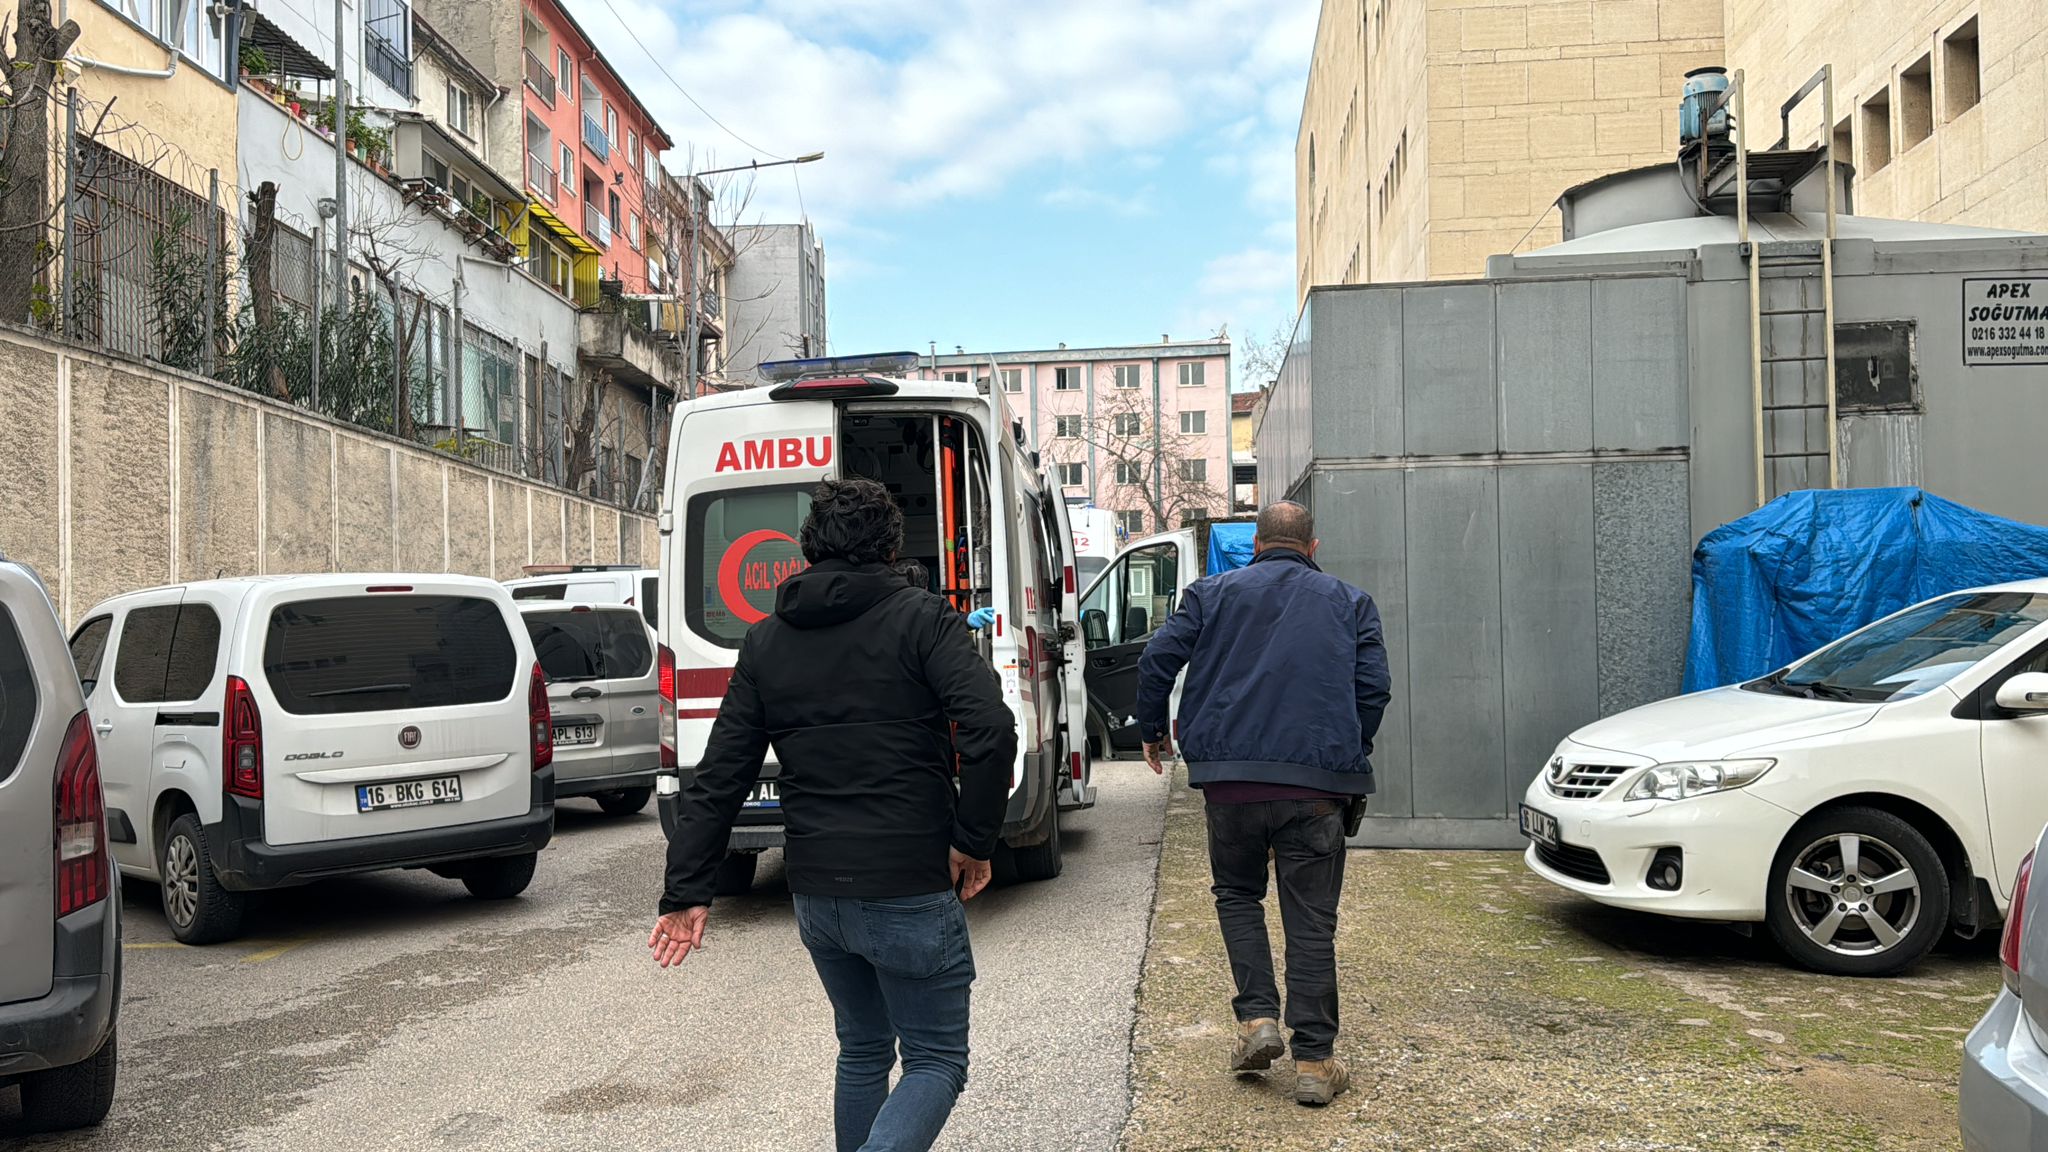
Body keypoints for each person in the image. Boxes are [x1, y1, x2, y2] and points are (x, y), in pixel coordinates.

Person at [652, 477, 1020, 1152]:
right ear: (887, 547)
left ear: (809, 547)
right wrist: (973, 839)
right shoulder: (924, 618)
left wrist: (687, 891)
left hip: (818, 892)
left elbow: (720, 776)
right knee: (936, 1060)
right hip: (906, 882)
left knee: (863, 1049)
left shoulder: (766, 640)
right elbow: (991, 729)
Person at [1133, 500, 1390, 1108]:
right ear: (1313, 546)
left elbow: (1155, 661)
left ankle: (1257, 1021)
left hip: (1232, 783)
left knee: (1237, 895)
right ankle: (1315, 1061)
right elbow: (1373, 689)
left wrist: (1151, 730)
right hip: (1318, 788)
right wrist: (1348, 749)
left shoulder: (1209, 594)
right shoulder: (1351, 602)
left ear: (1255, 544)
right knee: (1311, 921)